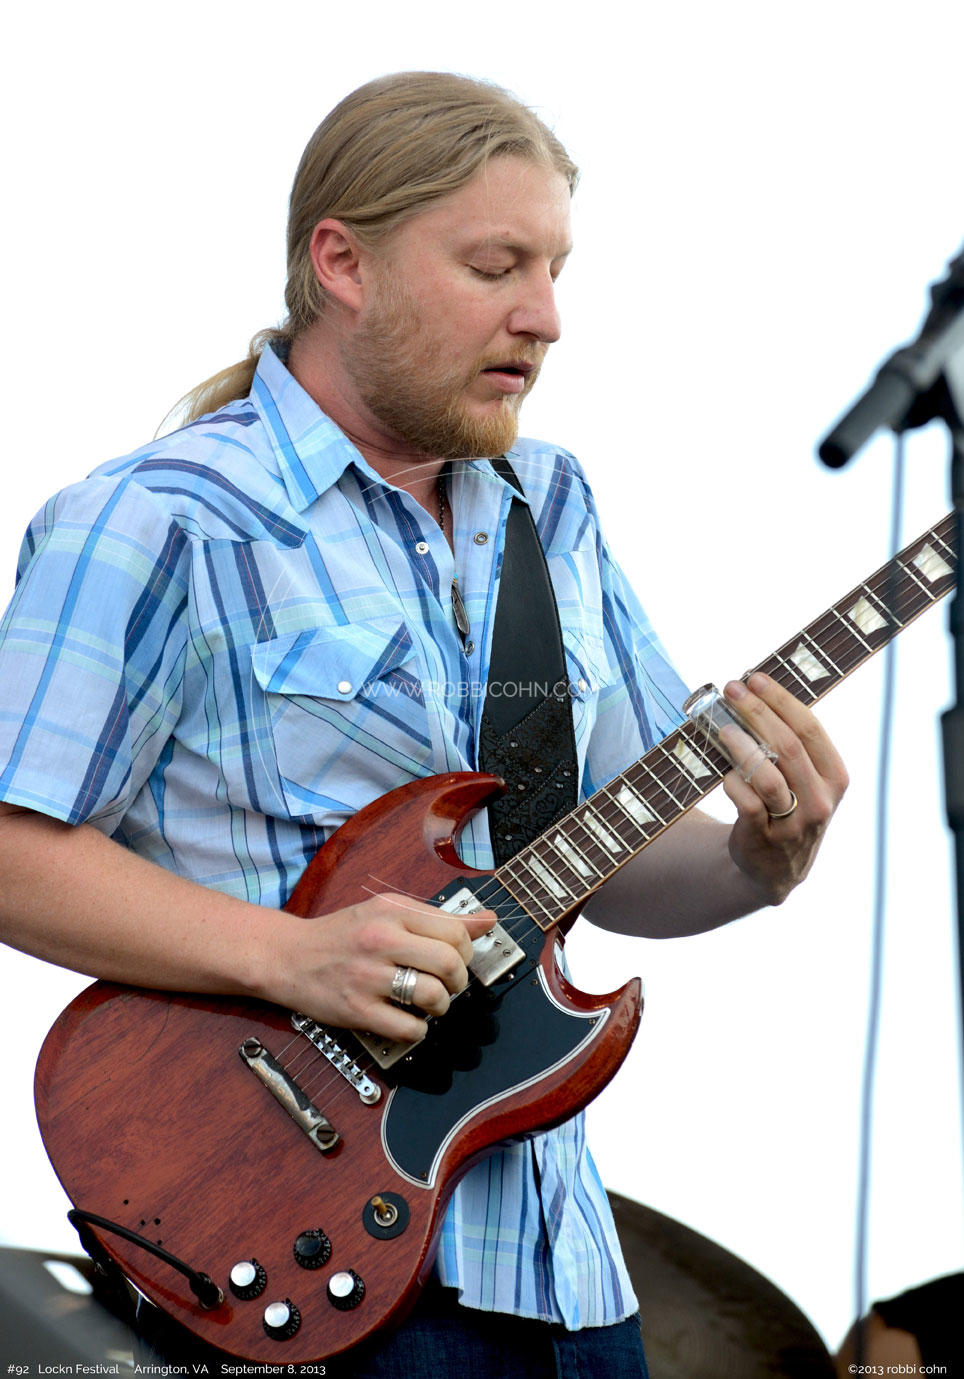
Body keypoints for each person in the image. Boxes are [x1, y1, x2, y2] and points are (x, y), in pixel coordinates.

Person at [0, 71, 847, 1377]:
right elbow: (15, 849)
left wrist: (757, 860)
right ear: (342, 262)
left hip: (567, 1275)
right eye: (496, 265)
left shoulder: (549, 507)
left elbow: (605, 859)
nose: (545, 315)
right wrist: (295, 960)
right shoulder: (159, 519)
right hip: (296, 1256)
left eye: (555, 269)